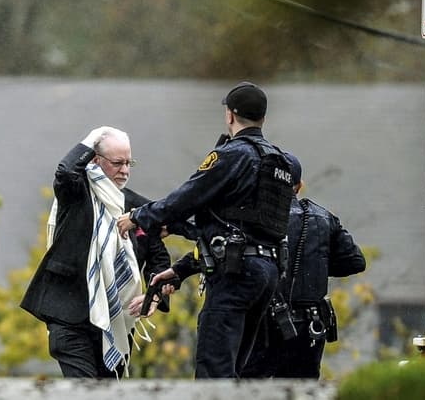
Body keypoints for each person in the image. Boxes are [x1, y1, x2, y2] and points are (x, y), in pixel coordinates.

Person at [117, 81, 294, 379]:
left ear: (230, 115)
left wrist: (139, 216)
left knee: (214, 373)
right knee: (237, 371)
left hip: (236, 274)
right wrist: (181, 261)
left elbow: (187, 197)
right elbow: (237, 224)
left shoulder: (234, 154)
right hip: (267, 274)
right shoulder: (279, 162)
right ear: (263, 118)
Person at [20, 126, 173, 379]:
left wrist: (154, 295)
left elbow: (159, 257)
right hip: (70, 317)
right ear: (95, 160)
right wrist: (96, 135)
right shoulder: (76, 192)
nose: (124, 171)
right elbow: (66, 171)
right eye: (116, 163)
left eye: (128, 163)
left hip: (118, 321)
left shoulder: (139, 208)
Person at [241, 152, 366, 379]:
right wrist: (317, 264)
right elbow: (355, 261)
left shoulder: (251, 217)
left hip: (263, 325)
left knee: (249, 389)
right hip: (310, 328)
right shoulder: (323, 217)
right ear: (299, 186)